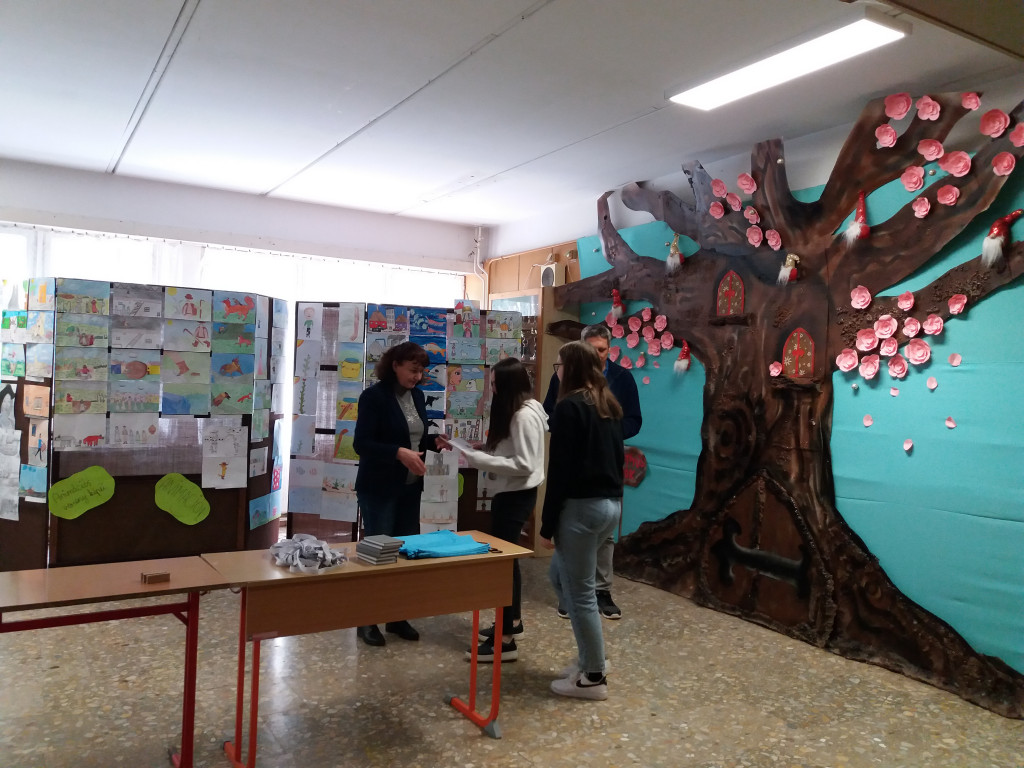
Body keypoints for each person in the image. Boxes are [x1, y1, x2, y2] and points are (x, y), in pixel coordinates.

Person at [437, 358, 547, 663]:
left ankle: (505, 640)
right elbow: (514, 452)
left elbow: (524, 464)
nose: (493, 389)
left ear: (509, 385)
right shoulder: (524, 411)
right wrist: (480, 449)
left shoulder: (524, 416)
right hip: (513, 494)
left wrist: (479, 460)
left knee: (503, 565)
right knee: (508, 563)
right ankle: (512, 622)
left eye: (496, 384)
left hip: (515, 496)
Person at [541, 341, 624, 700]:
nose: (557, 370)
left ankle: (593, 676)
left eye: (559, 364)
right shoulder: (607, 404)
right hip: (609, 506)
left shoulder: (569, 407)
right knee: (559, 576)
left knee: (580, 593)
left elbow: (559, 472)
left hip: (581, 510)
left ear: (570, 368)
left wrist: (546, 525)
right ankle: (592, 656)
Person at [542, 323, 640, 620]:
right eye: (592, 349)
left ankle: (600, 591)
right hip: (579, 476)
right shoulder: (563, 383)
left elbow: (632, 420)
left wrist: (603, 433)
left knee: (602, 538)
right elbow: (550, 413)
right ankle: (570, 592)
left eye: (603, 350)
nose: (598, 355)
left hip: (605, 470)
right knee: (570, 546)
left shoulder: (621, 378)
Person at [353, 341, 442, 647]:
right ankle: (366, 620)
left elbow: (413, 437)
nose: (417, 377)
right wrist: (398, 453)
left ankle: (396, 616)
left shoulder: (417, 396)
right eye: (412, 370)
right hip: (379, 488)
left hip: (409, 488)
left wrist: (434, 442)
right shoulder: (374, 397)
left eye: (421, 371)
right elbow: (362, 444)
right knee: (378, 553)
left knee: (405, 552)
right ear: (395, 365)